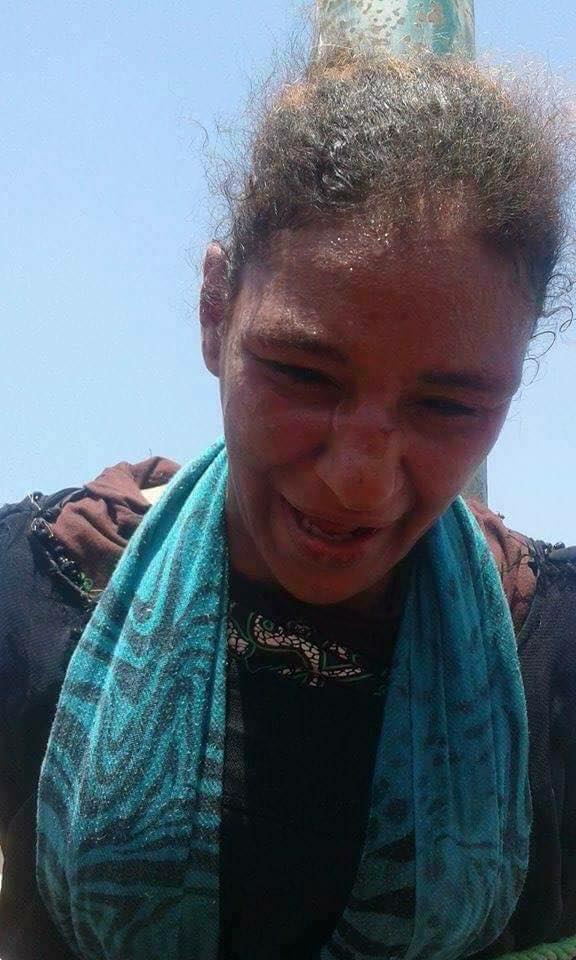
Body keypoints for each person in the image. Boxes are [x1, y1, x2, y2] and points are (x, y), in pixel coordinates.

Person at [1, 48, 576, 960]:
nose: (358, 479)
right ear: (214, 311)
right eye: (304, 374)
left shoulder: (551, 657)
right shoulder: (36, 591)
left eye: (448, 406)